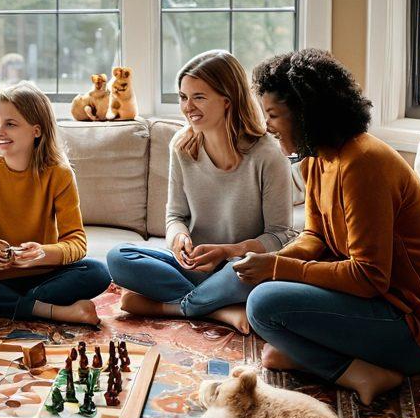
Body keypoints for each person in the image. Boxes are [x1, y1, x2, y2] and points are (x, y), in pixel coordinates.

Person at [238, 49, 420, 405]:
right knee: (259, 289)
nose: (267, 126)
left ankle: (360, 372)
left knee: (263, 304)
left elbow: (370, 278)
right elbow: (316, 236)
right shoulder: (316, 160)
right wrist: (271, 265)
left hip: (413, 325)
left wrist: (278, 268)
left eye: (274, 115)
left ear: (306, 114)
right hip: (375, 307)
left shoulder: (363, 164)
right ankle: (314, 359)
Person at [107, 50, 294, 333]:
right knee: (118, 257)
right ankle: (218, 310)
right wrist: (179, 237)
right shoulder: (182, 146)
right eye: (183, 97)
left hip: (239, 268)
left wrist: (228, 251)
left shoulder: (268, 154)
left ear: (227, 100)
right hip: (194, 266)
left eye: (199, 97)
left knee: (252, 281)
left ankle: (172, 307)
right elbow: (174, 216)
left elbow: (280, 236)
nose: (187, 107)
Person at [0, 81, 111, 324]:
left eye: (10, 124)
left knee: (97, 273)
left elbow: (76, 242)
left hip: (44, 276)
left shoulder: (59, 173)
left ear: (36, 130)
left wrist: (42, 253)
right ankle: (50, 311)